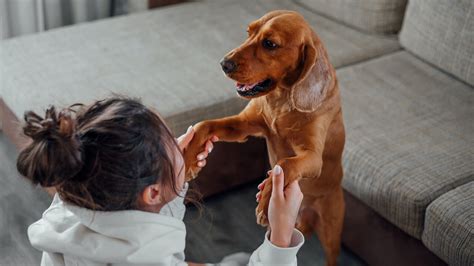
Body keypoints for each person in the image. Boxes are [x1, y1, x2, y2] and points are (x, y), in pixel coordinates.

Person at [17, 97, 305, 266]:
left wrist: (172, 179)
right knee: (241, 260)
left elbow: (141, 221)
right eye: (171, 145)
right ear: (152, 192)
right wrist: (281, 235)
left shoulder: (76, 194)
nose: (179, 145)